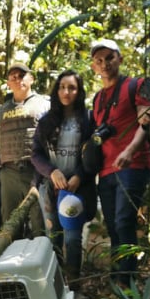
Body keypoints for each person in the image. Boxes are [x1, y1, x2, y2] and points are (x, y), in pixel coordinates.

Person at [89, 39, 150, 287]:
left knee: (124, 220)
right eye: (99, 60)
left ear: (120, 59)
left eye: (109, 58)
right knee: (113, 226)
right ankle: (118, 276)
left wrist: (130, 150)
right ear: (94, 66)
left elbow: (145, 122)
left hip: (133, 164)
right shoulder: (97, 99)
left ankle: (127, 281)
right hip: (106, 170)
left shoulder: (134, 85)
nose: (104, 64)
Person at [31, 70, 98, 282]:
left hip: (75, 187)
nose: (66, 92)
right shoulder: (47, 120)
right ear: (56, 90)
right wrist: (52, 171)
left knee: (72, 237)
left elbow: (94, 155)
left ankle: (73, 283)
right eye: (62, 87)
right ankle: (56, 283)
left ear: (79, 92)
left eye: (72, 87)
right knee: (54, 236)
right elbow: (35, 153)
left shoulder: (87, 119)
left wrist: (79, 175)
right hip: (50, 187)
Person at [0, 63, 49, 238]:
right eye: (13, 77)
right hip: (8, 173)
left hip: (36, 172)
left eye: (22, 75)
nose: (17, 80)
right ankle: (11, 262)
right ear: (8, 83)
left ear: (31, 78)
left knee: (40, 221)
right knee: (10, 223)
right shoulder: (1, 113)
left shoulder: (45, 105)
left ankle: (46, 261)